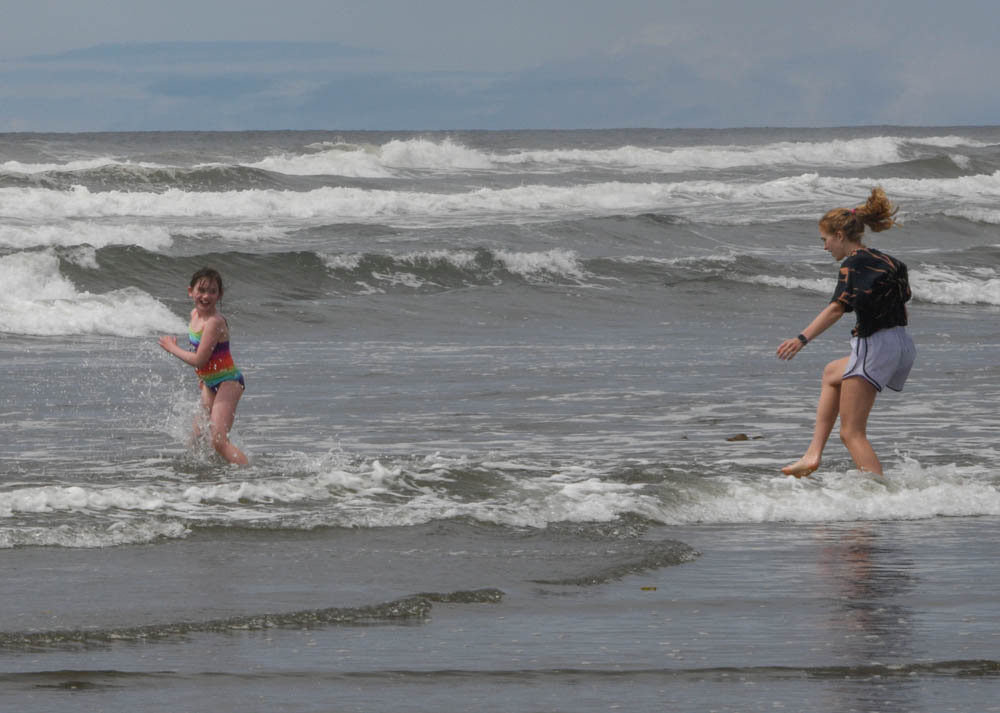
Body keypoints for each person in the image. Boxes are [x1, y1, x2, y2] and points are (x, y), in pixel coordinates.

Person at [776, 188, 915, 477]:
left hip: (875, 345)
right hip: (901, 343)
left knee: (851, 433)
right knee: (831, 373)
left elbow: (837, 309)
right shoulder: (889, 261)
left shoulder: (852, 264)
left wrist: (801, 339)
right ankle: (812, 455)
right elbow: (904, 303)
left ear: (840, 235)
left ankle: (880, 494)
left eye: (825, 240)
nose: (825, 248)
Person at [159, 267, 249, 466]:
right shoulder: (194, 314)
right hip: (209, 383)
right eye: (201, 290)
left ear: (220, 295)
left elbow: (199, 359)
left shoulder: (214, 322)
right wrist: (202, 376)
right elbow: (204, 353)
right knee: (196, 441)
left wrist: (172, 348)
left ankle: (251, 476)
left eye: (212, 291)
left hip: (228, 382)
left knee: (218, 441)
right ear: (190, 291)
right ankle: (212, 478)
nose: (206, 296)